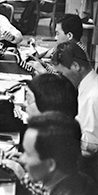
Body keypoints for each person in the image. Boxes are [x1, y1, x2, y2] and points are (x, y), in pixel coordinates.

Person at [4, 111, 98, 195]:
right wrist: (20, 173)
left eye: (28, 154)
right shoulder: (68, 179)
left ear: (50, 165)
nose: (21, 159)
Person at [51, 40, 98, 180]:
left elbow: (90, 146)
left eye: (62, 73)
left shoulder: (92, 96)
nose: (61, 79)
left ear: (76, 66)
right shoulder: (89, 86)